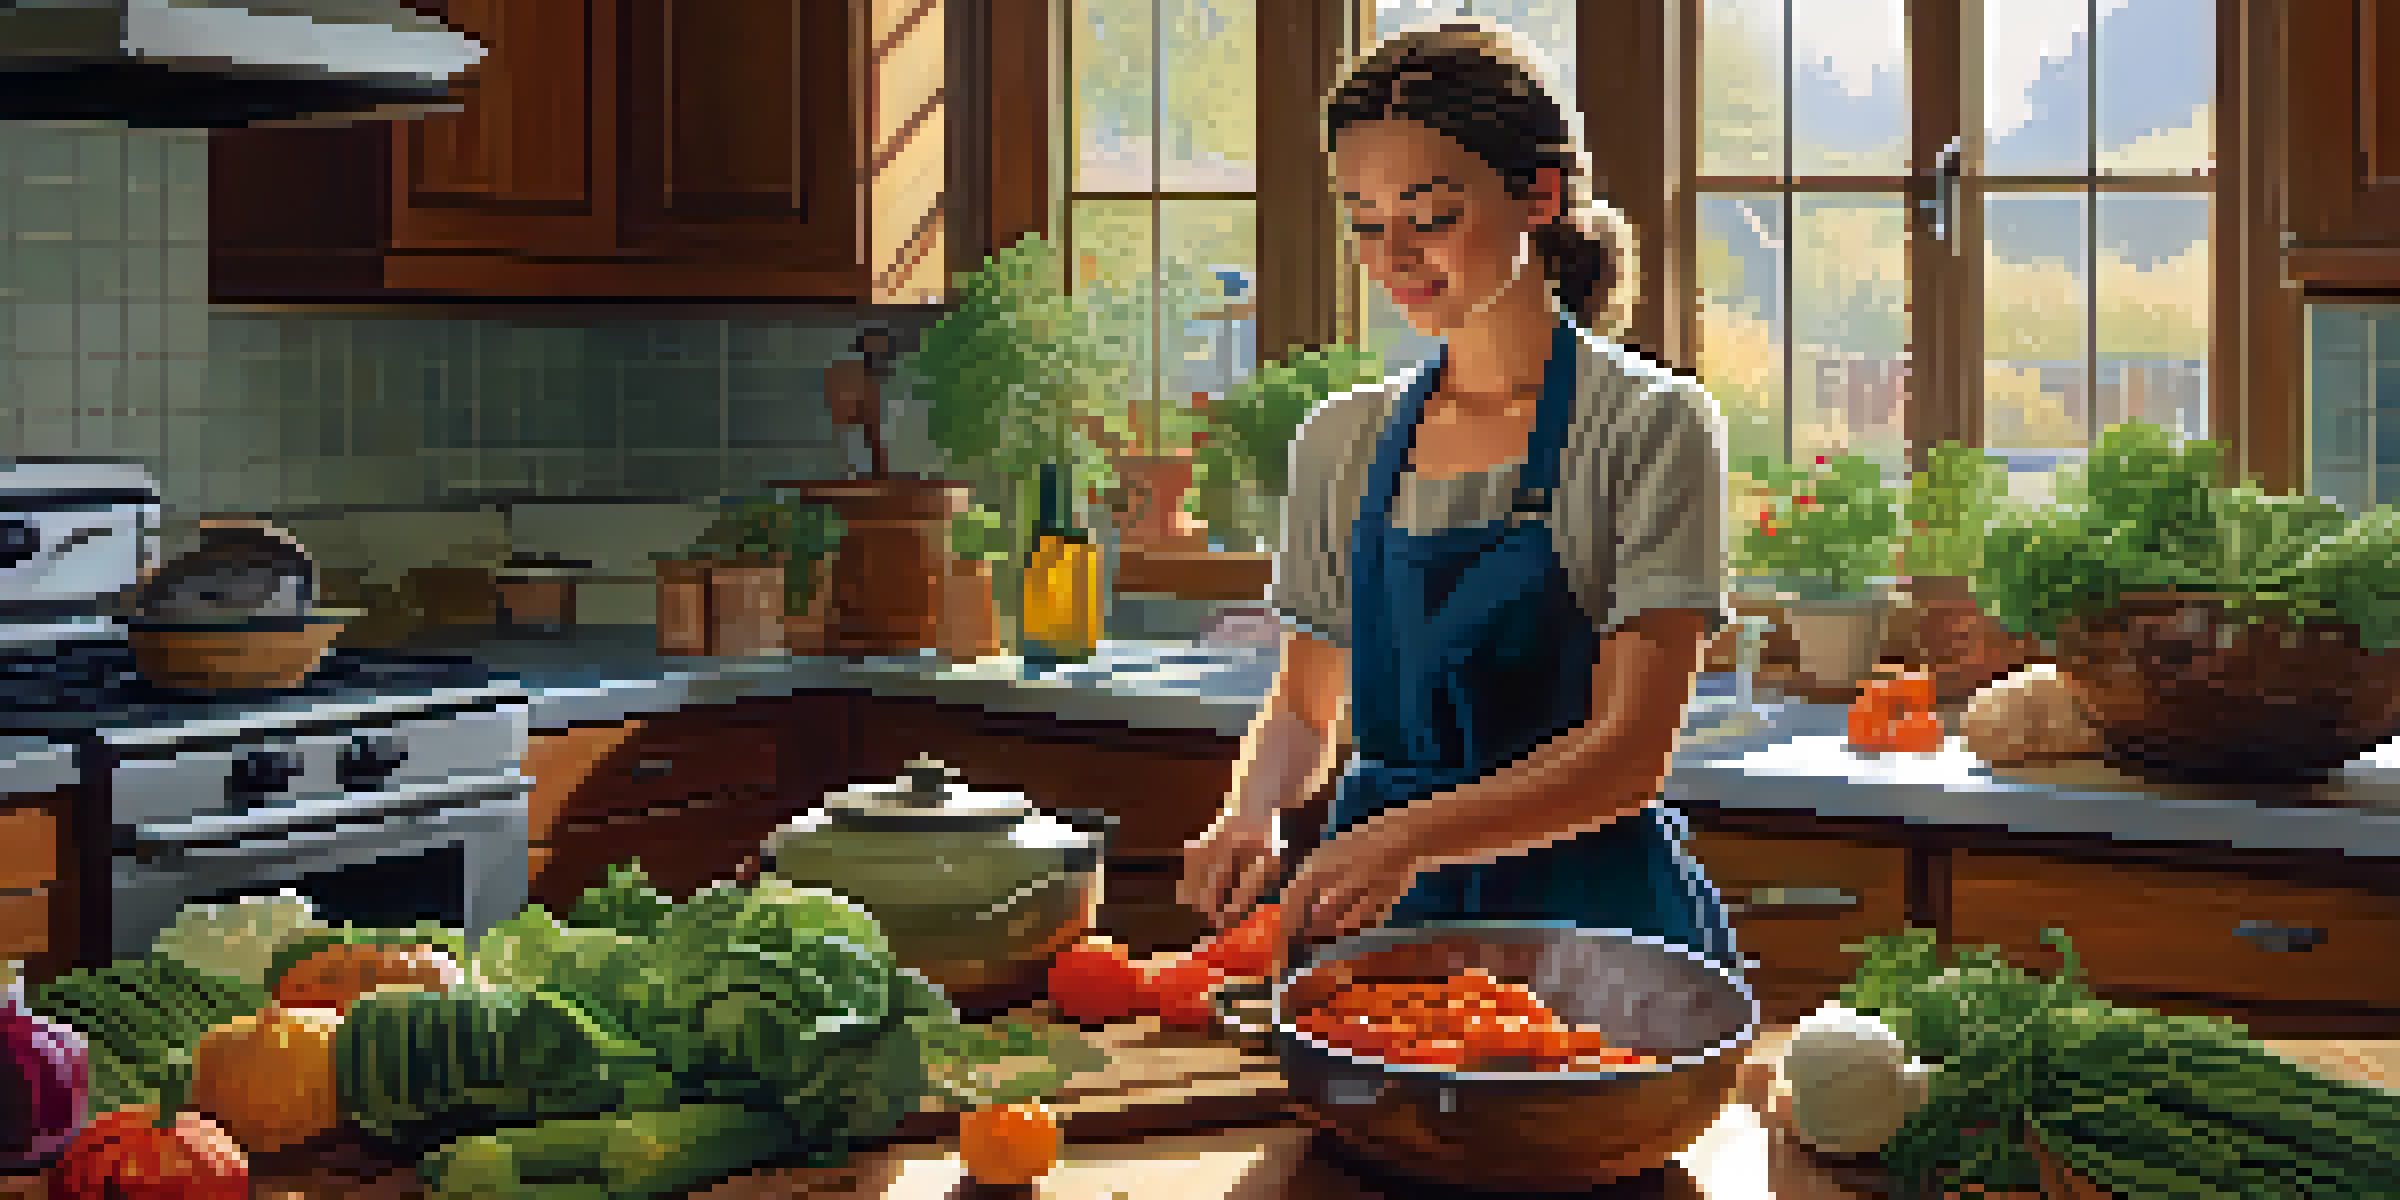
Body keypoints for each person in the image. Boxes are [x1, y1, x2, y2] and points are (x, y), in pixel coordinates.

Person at [1178, 20, 1743, 974]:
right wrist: (1253, 811)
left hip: (1592, 930)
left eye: (1429, 215)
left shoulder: (1650, 425)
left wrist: (1404, 838)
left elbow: (1628, 756)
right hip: (1377, 928)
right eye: (1363, 220)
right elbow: (1309, 709)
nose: (1391, 254)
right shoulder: (1342, 441)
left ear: (1539, 196)